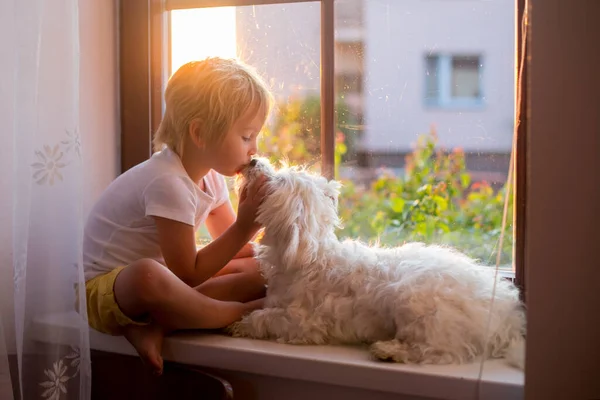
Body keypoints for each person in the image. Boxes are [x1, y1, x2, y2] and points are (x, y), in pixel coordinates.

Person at [82, 57, 274, 375]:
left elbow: (234, 247)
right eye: (246, 136)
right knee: (148, 274)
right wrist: (245, 224)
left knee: (260, 269)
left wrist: (268, 235)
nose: (254, 148)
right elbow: (188, 273)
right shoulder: (167, 181)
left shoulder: (209, 177)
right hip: (105, 292)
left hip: (165, 287)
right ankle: (239, 313)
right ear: (199, 133)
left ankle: (161, 325)